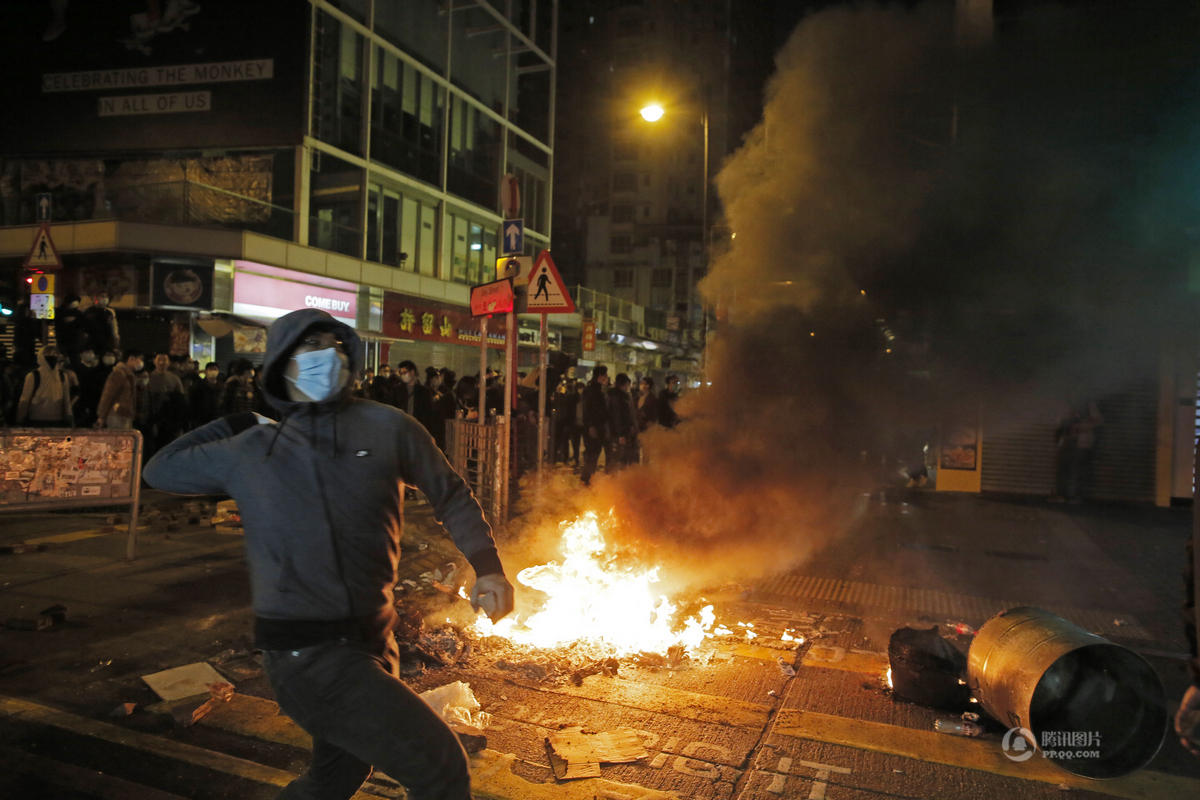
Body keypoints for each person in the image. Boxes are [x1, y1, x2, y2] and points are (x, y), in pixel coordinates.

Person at [143, 308, 513, 800]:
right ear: (280, 365)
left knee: (334, 777)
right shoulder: (254, 448)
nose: (325, 357)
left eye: (333, 345)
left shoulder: (388, 428)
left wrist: (488, 568)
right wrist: (236, 421)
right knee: (440, 767)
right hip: (306, 654)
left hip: (374, 641)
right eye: (308, 348)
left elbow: (449, 494)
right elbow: (160, 470)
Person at [15, 344, 77, 427]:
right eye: (48, 355)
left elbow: (66, 399)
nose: (52, 357)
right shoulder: (33, 376)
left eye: (54, 354)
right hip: (37, 420)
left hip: (55, 420)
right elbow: (25, 400)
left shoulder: (62, 376)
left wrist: (20, 418)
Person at [146, 352, 187, 454]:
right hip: (154, 418)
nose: (162, 362)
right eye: (159, 359)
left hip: (171, 420)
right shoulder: (148, 378)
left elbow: (181, 402)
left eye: (164, 360)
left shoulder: (174, 378)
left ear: (168, 362)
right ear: (154, 361)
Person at [95, 349, 144, 429]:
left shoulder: (129, 375)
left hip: (125, 414)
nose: (141, 362)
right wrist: (101, 416)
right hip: (117, 415)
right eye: (140, 359)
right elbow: (108, 395)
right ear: (131, 358)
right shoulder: (118, 373)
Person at [580, 365, 612, 485]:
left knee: (594, 453)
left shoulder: (597, 389)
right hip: (594, 427)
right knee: (592, 454)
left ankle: (588, 478)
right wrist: (591, 426)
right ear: (600, 376)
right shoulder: (592, 390)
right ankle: (587, 479)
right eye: (605, 375)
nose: (606, 378)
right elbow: (588, 410)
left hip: (598, 426)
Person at [607, 372, 638, 469]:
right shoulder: (617, 397)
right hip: (619, 433)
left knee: (620, 458)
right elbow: (617, 416)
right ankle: (616, 481)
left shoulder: (620, 395)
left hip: (620, 432)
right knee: (619, 458)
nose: (628, 387)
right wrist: (621, 434)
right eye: (627, 385)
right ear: (624, 384)